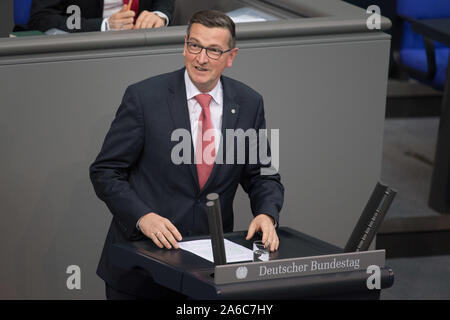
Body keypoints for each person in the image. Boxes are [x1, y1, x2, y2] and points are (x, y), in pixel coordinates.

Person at [89, 9, 284, 299]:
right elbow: (105, 171)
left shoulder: (249, 103)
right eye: (195, 46)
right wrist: (142, 216)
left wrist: (267, 214)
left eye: (214, 50)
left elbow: (264, 175)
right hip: (141, 269)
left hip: (206, 275)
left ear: (231, 57)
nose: (201, 58)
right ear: (184, 45)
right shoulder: (144, 98)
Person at [28, 0, 175, 33]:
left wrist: (159, 15)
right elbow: (41, 18)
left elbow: (163, 3)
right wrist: (104, 25)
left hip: (141, 43)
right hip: (84, 49)